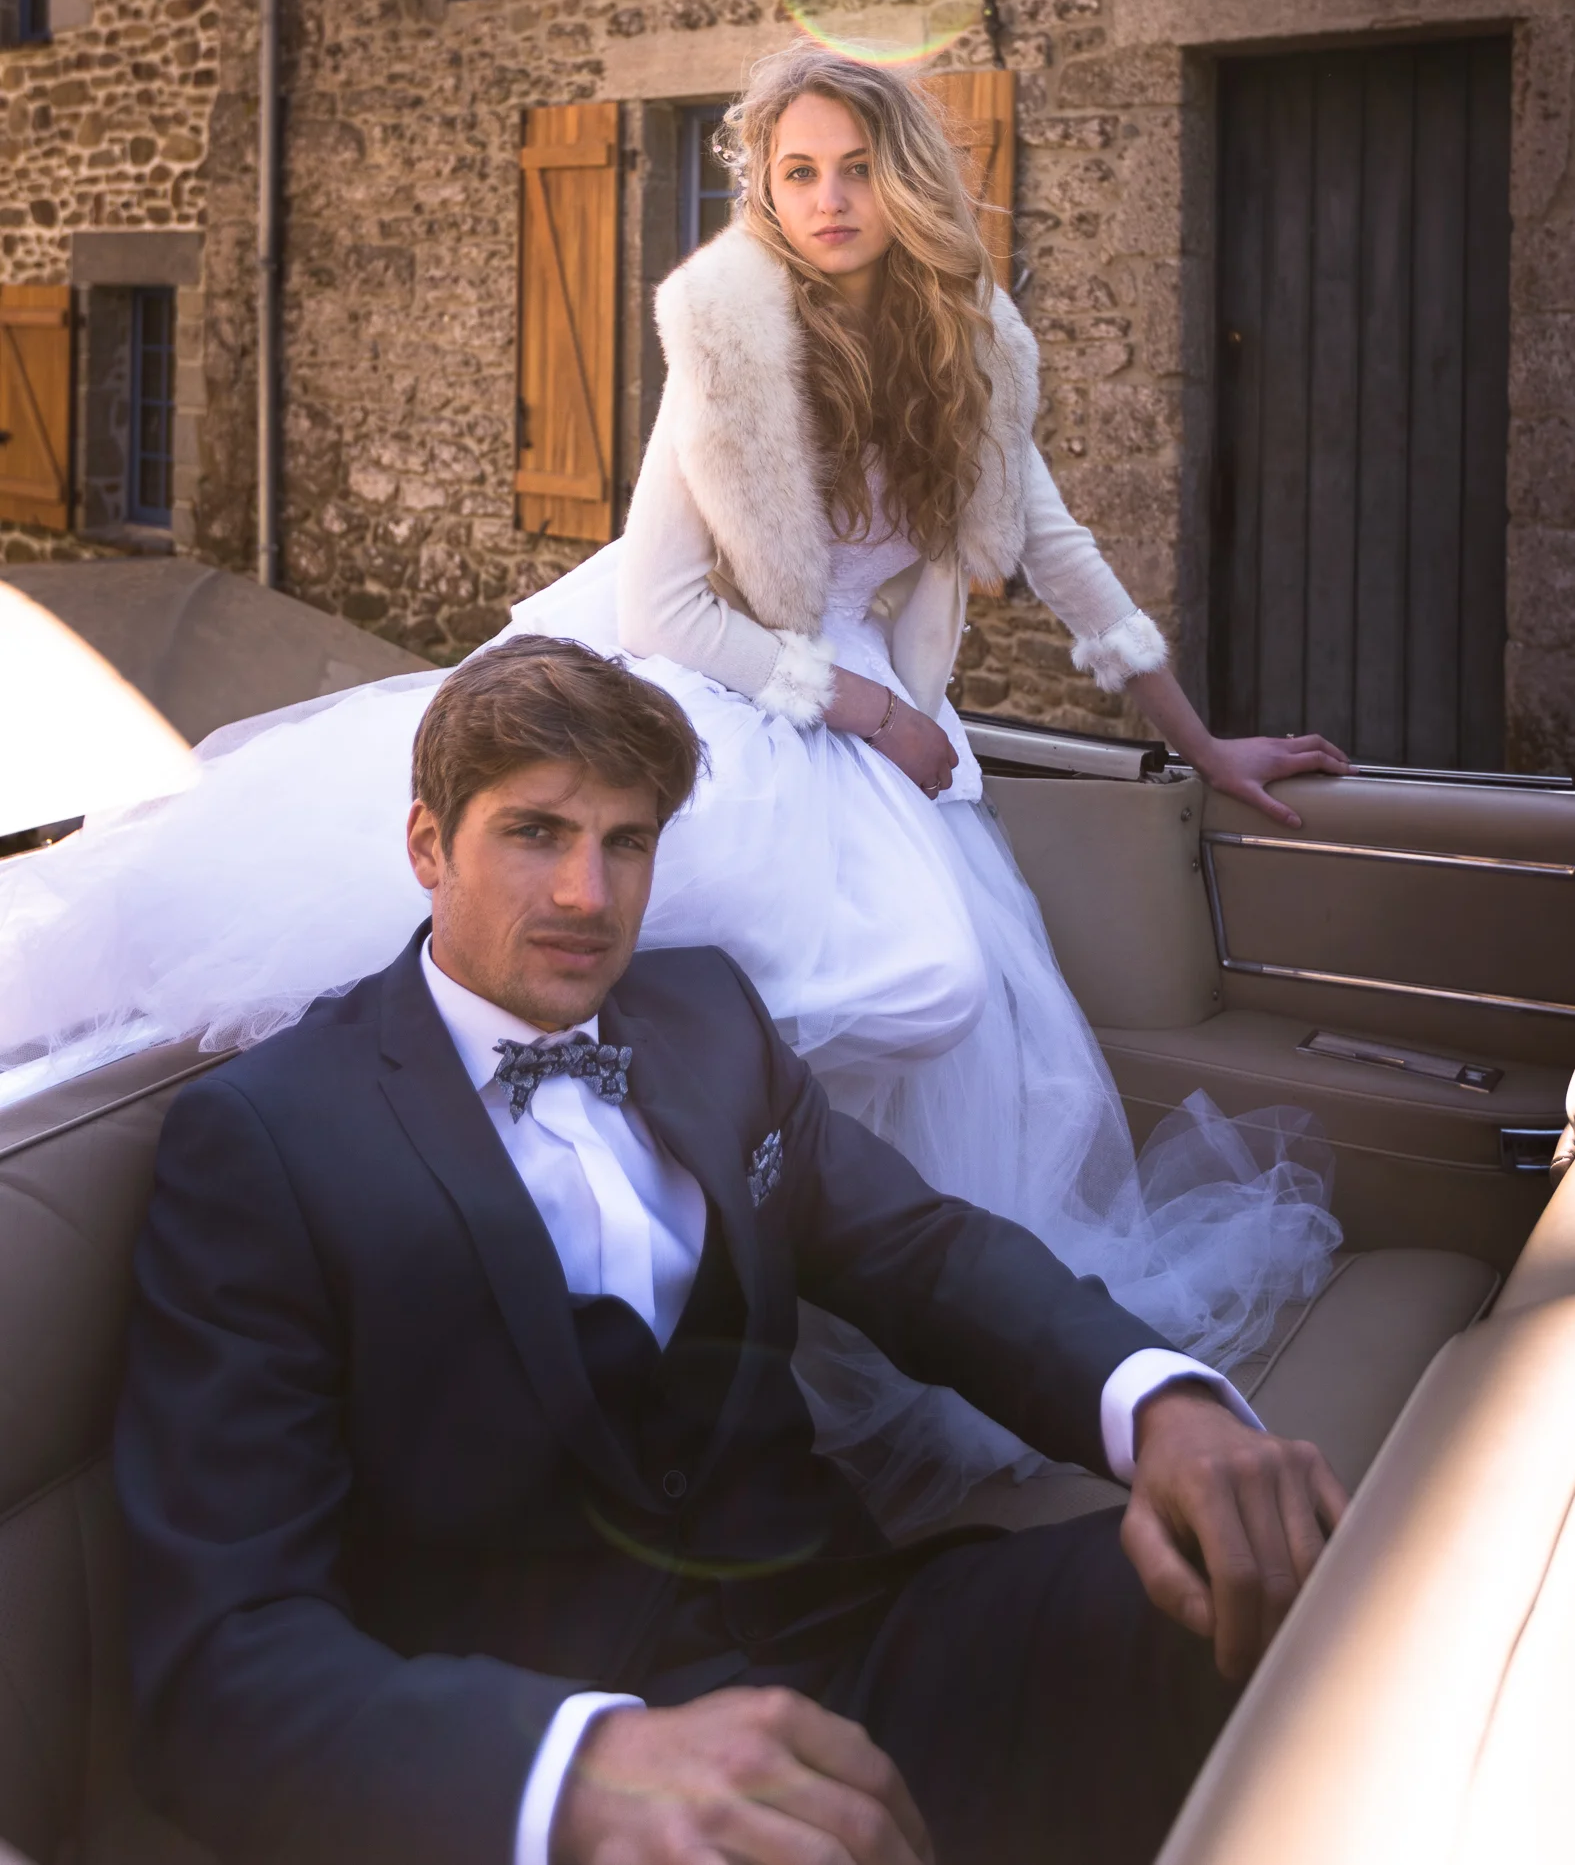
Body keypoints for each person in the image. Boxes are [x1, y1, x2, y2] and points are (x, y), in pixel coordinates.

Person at [1, 43, 1341, 1526]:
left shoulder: (976, 340)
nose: (826, 200)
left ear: (903, 177)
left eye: (851, 168)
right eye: (794, 173)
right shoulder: (725, 333)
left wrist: (1201, 740)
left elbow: (1059, 549)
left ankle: (796, 1306)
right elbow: (661, 611)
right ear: (762, 190)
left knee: (935, 997)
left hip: (866, 710)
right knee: (696, 953)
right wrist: (861, 711)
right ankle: (621, 1277)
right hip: (705, 675)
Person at [116, 639, 1348, 1865]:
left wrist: (1162, 1402)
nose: (588, 898)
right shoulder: (266, 1137)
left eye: (627, 841)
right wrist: (579, 1771)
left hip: (857, 1639)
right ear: (429, 846)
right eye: (535, 833)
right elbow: (220, 1662)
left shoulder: (708, 1016)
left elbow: (923, 1256)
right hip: (577, 1773)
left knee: (1279, 1595)